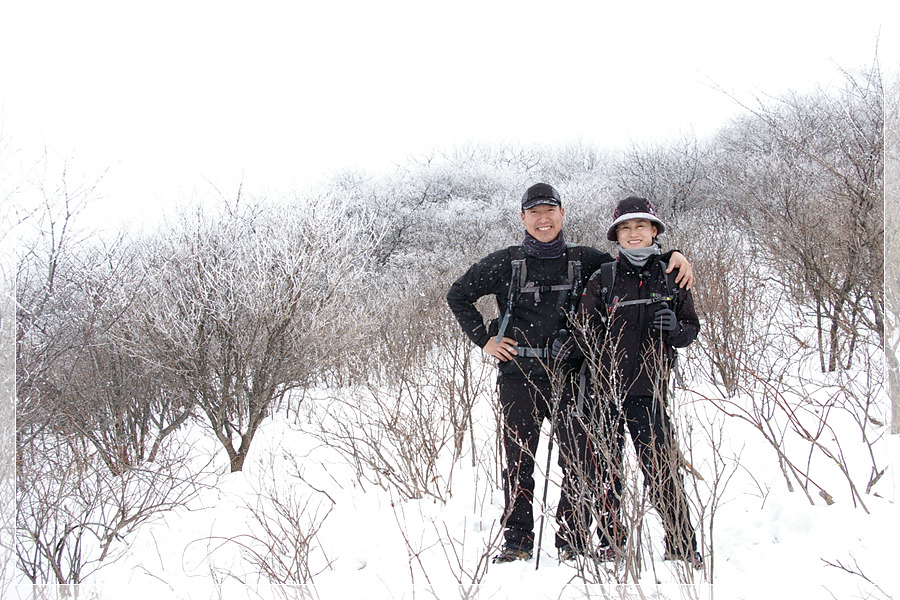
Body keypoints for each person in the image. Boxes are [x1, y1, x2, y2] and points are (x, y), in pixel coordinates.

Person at [446, 184, 693, 564]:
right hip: (519, 376)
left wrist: (676, 256)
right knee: (518, 460)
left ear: (562, 214)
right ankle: (517, 540)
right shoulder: (505, 263)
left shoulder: (586, 260)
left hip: (572, 374)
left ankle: (570, 538)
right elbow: (458, 294)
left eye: (549, 211)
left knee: (578, 460)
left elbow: (633, 261)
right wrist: (484, 340)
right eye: (534, 213)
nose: (542, 220)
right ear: (523, 218)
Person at [559, 195, 701, 568]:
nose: (633, 233)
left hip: (649, 391)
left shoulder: (672, 275)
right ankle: (610, 542)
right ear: (616, 235)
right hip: (604, 390)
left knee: (662, 470)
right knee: (607, 470)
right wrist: (559, 352)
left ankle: (683, 547)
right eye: (625, 228)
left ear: (654, 231)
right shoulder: (603, 277)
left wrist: (676, 330)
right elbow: (582, 331)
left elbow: (690, 329)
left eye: (640, 226)